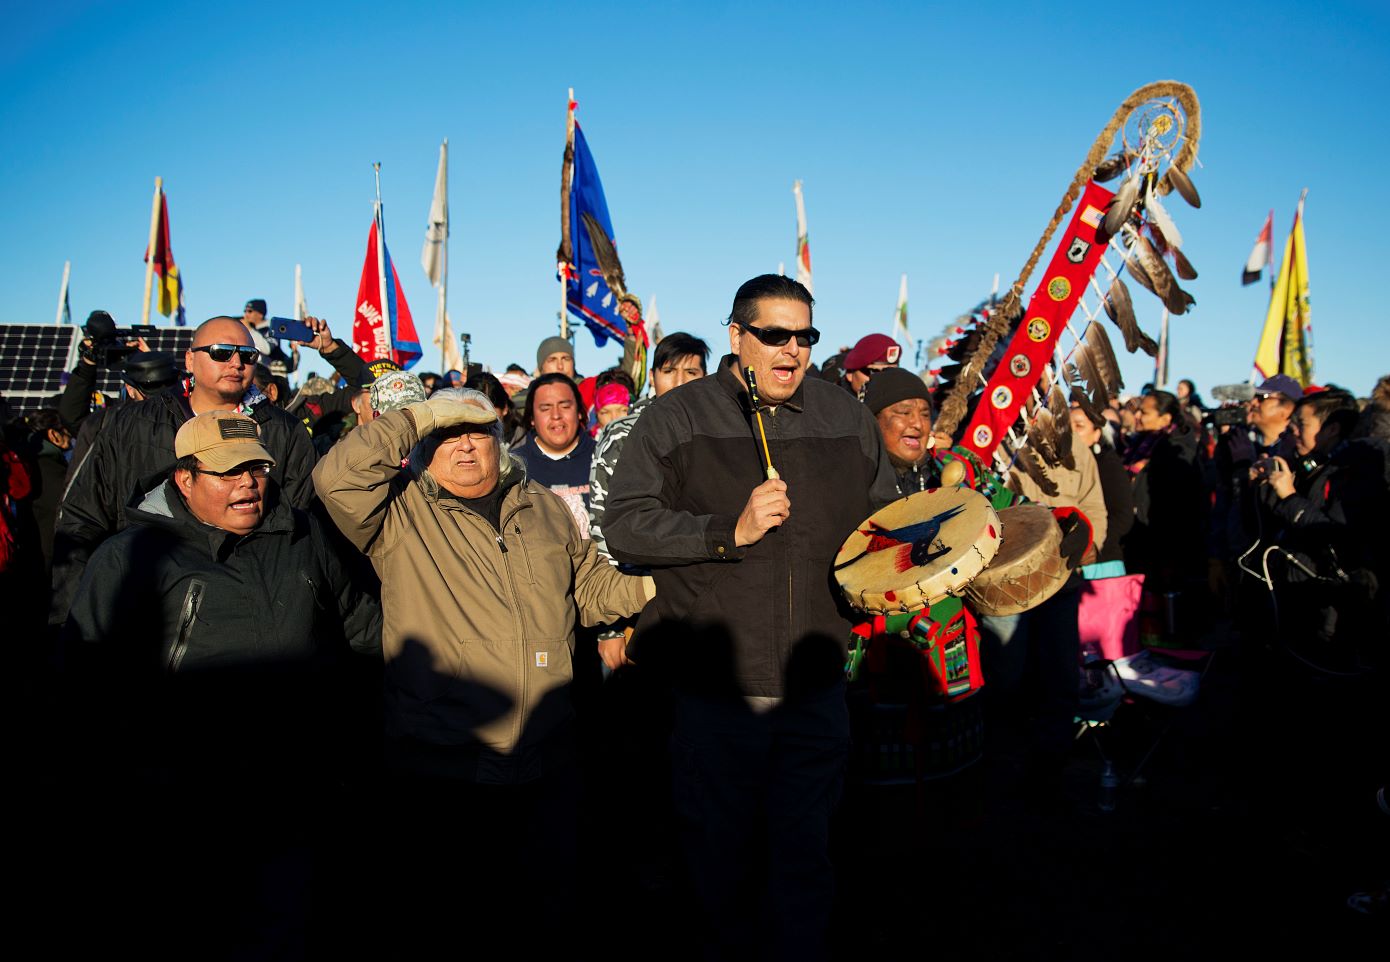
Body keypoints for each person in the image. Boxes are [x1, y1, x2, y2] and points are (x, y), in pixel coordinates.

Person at [603, 274, 898, 960]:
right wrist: (721, 532)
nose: (791, 350)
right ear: (737, 337)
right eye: (774, 335)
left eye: (804, 336)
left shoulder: (844, 416)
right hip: (716, 691)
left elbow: (880, 525)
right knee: (718, 860)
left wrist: (934, 546)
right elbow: (624, 527)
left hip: (815, 685)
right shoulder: (678, 417)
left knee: (806, 857)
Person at [312, 387, 652, 952]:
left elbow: (589, 591)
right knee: (455, 913)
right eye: (447, 435)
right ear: (423, 446)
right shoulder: (397, 510)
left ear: (499, 440)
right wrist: (423, 414)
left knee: (548, 906)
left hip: (547, 754)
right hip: (444, 759)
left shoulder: (540, 504)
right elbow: (335, 478)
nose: (464, 446)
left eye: (476, 432)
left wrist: (663, 589)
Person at [62, 411, 378, 958]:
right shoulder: (131, 556)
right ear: (184, 479)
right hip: (183, 799)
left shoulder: (305, 537)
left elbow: (364, 630)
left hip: (294, 786)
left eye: (256, 468)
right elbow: (87, 681)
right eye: (229, 472)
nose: (248, 484)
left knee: (287, 928)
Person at [51, 316, 318, 624]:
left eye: (247, 355)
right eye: (220, 352)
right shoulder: (133, 424)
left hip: (243, 612)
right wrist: (69, 619)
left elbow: (301, 526)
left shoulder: (284, 431)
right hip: (140, 606)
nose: (236, 363)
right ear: (190, 359)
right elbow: (83, 519)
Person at [589, 332, 710, 564]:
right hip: (635, 577)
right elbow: (602, 519)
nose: (680, 382)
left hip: (701, 574)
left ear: (705, 377)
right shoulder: (622, 433)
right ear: (653, 378)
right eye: (669, 371)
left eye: (691, 372)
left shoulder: (717, 431)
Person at [515, 371, 594, 536]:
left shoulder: (604, 458)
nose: (556, 416)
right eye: (545, 408)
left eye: (565, 406)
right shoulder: (513, 467)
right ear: (531, 418)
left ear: (579, 412)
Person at [862, 366, 938, 495]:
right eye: (904, 412)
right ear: (874, 420)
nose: (918, 424)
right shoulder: (856, 480)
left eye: (925, 415)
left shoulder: (939, 477)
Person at [240, 297, 297, 373]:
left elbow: (267, 349)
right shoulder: (251, 330)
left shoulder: (273, 328)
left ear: (260, 314)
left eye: (250, 311)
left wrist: (250, 329)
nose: (246, 315)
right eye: (245, 311)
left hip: (270, 377)